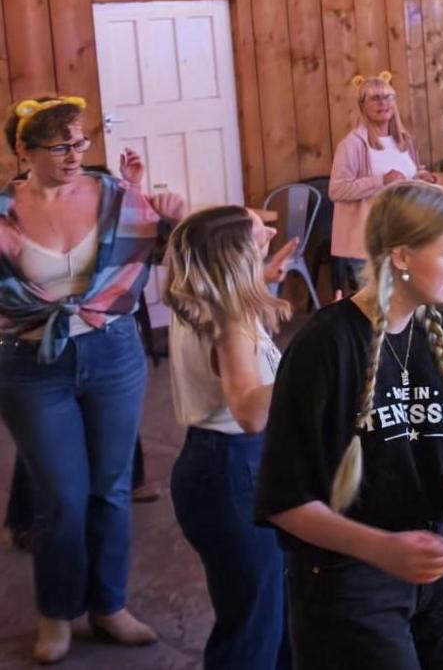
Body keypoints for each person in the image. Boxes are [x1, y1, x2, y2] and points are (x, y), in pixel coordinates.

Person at [255, 181, 443, 669]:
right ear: (402, 257)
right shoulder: (324, 349)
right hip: (345, 576)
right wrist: (382, 549)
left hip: (432, 561)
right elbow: (284, 502)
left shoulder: (440, 331)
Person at [0, 95, 187, 663]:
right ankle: (57, 614)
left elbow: (169, 251)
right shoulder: (5, 212)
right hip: (30, 364)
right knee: (62, 496)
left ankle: (109, 605)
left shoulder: (113, 196)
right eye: (59, 146)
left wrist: (173, 212)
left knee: (110, 489)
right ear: (24, 151)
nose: (75, 154)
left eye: (80, 142)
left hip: (112, 353)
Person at [164, 206, 296, 669]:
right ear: (235, 255)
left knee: (273, 612)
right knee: (254, 629)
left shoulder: (200, 298)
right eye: (260, 231)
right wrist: (311, 368)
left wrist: (264, 279)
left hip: (212, 466)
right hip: (234, 470)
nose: (272, 231)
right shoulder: (231, 316)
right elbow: (248, 411)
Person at [330, 73, 435, 293]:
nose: (383, 103)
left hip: (402, 237)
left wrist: (421, 178)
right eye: (375, 98)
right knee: (378, 308)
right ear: (362, 105)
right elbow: (337, 189)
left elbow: (406, 177)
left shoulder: (403, 140)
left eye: (388, 97)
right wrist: (380, 181)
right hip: (368, 243)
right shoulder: (352, 144)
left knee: (403, 304)